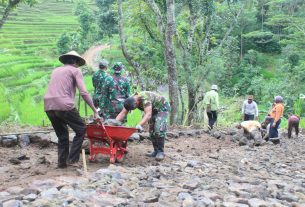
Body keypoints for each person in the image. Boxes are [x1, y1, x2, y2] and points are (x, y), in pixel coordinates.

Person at [44, 51, 99, 168]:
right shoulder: (75, 70)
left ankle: (62, 163)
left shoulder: (56, 70)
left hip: (48, 105)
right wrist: (95, 110)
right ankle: (73, 160)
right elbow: (83, 92)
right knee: (81, 129)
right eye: (78, 63)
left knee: (62, 135)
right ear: (76, 62)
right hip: (64, 105)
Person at [116, 91, 170, 161]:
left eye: (133, 109)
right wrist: (114, 123)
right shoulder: (130, 100)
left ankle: (160, 152)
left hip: (162, 108)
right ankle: (156, 151)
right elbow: (122, 113)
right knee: (152, 130)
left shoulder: (145, 99)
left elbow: (148, 114)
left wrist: (139, 125)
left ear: (136, 103)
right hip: (152, 109)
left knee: (158, 128)